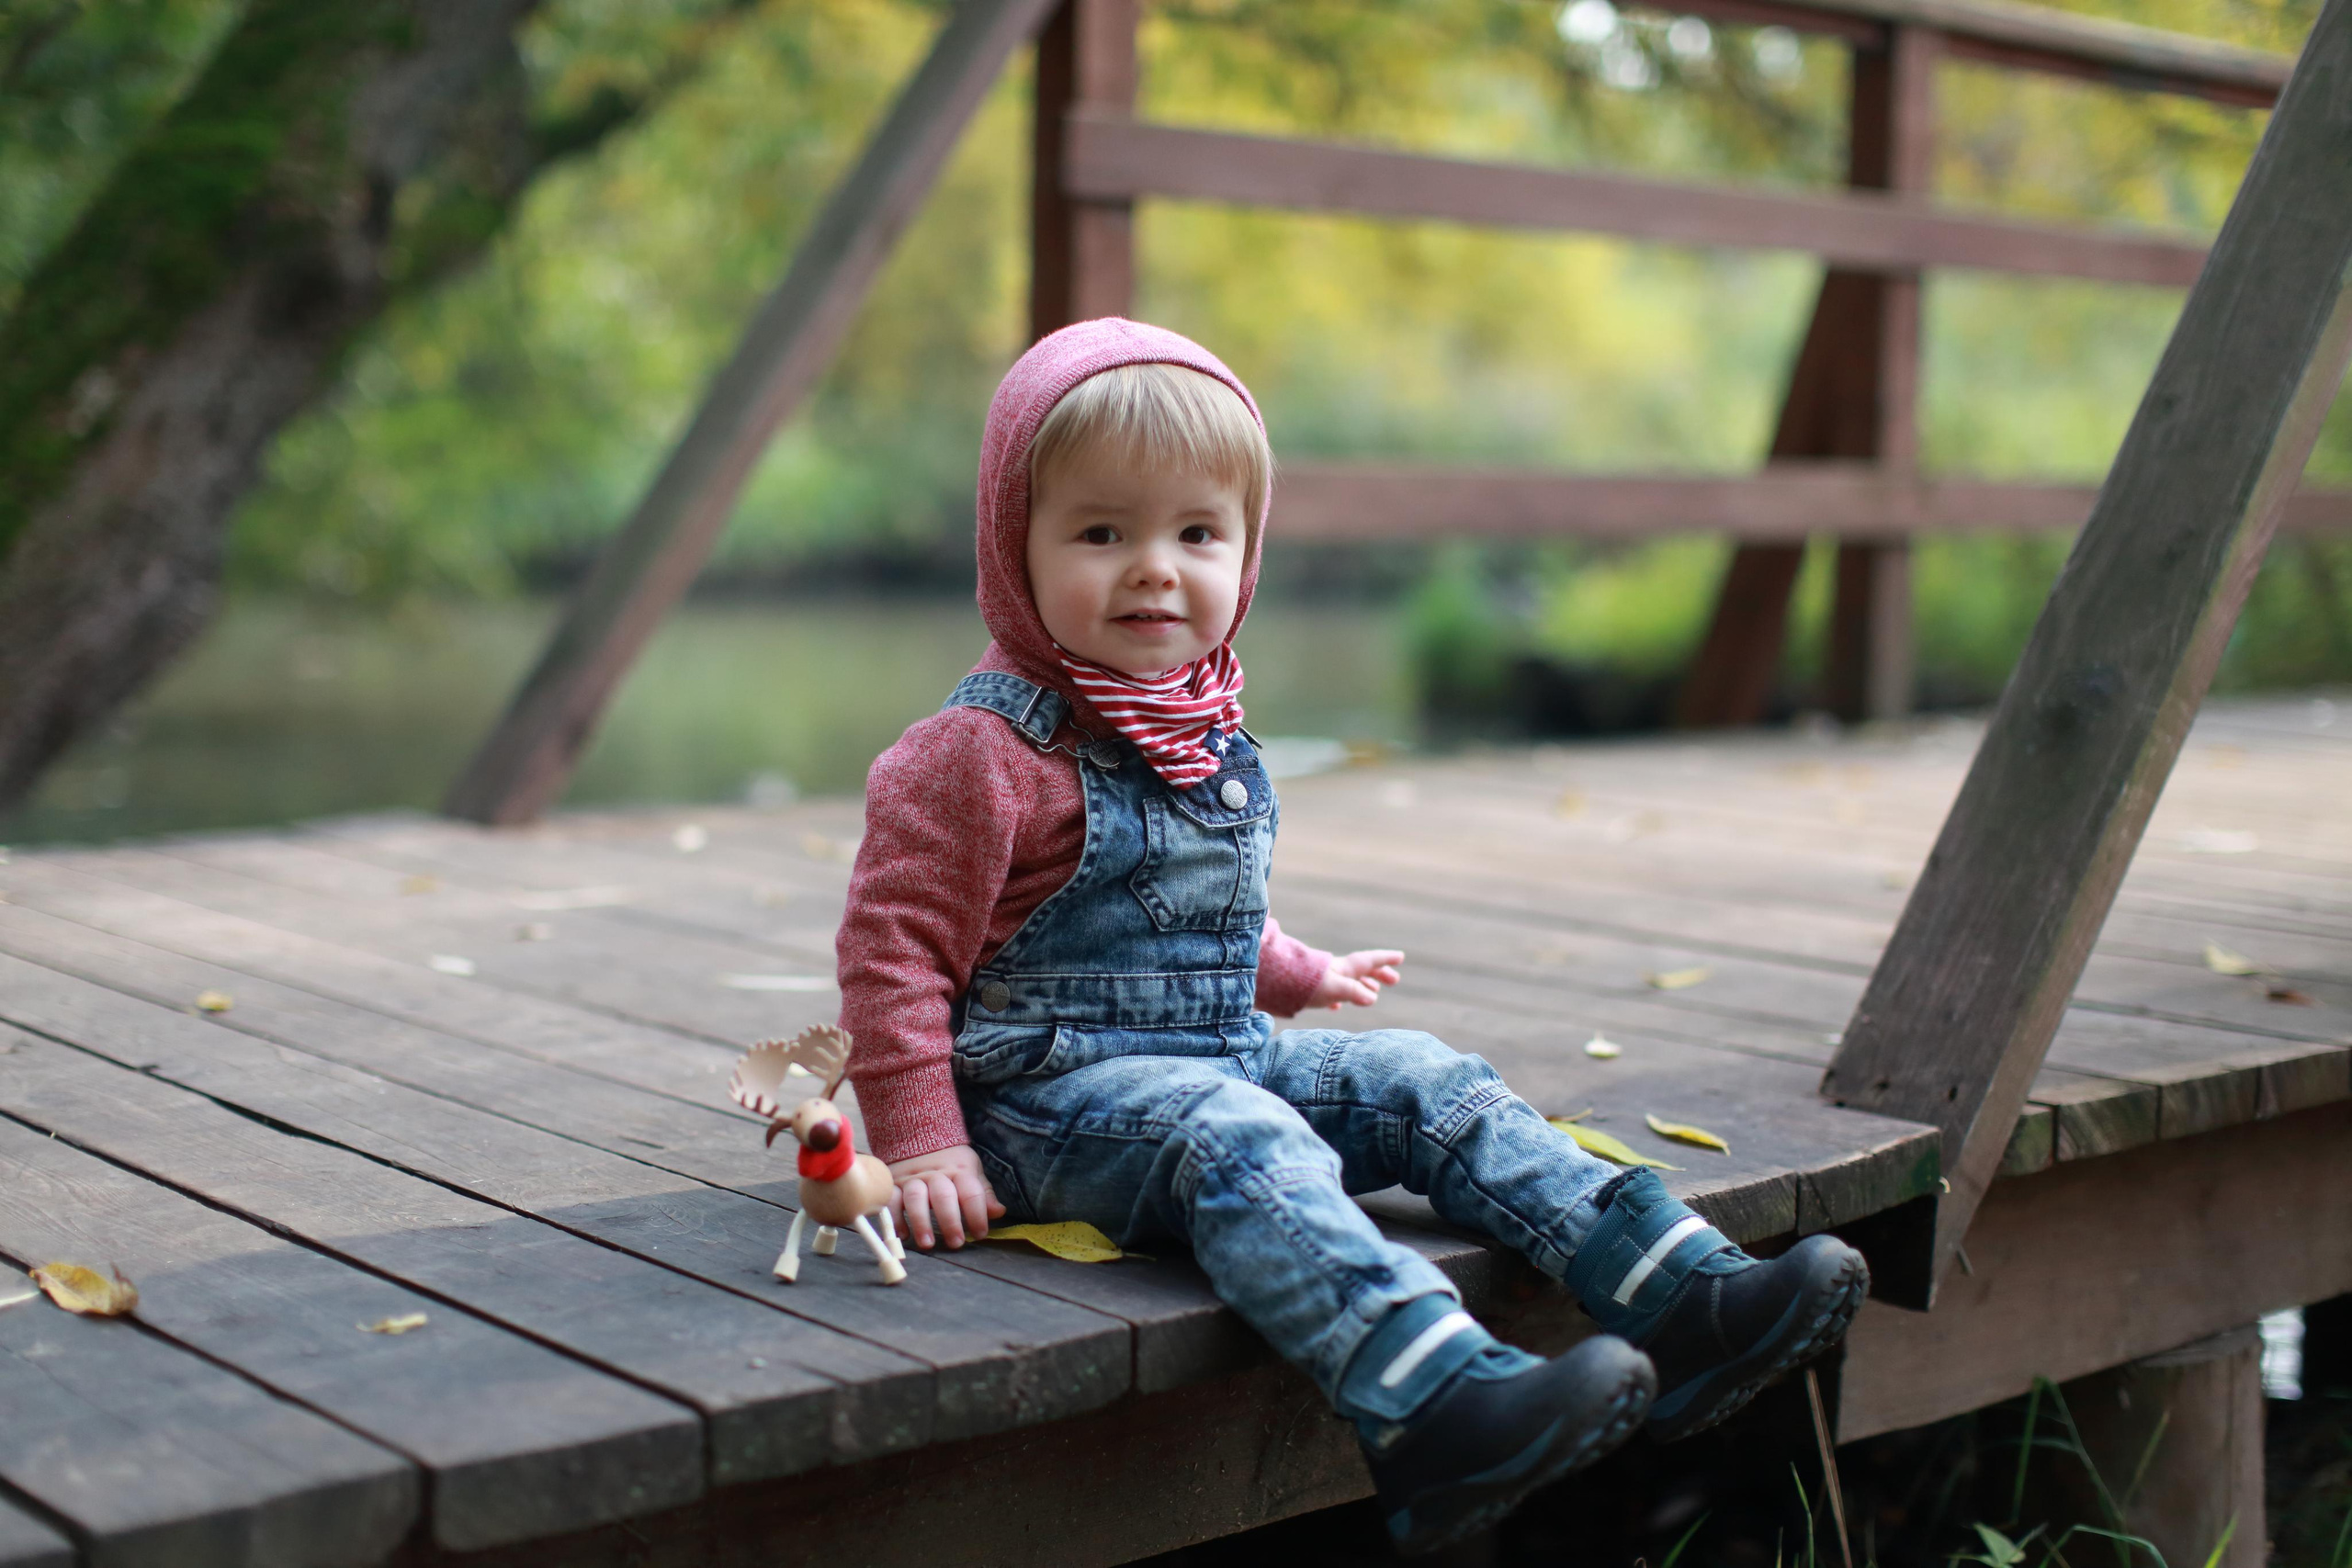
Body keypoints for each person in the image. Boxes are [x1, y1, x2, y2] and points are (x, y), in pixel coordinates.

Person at [836, 318, 1868, 1554]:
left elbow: (1187, 905)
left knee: (1422, 1076)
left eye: (1196, 534)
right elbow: (894, 953)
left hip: (1212, 1047)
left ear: (1246, 551)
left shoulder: (1193, 720)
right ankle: (1431, 1404)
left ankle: (1682, 1297)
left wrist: (1291, 969)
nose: (1155, 570)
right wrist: (924, 1140)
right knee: (1238, 1136)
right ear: (1015, 545)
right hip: (1043, 1099)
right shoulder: (977, 755)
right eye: (1102, 532)